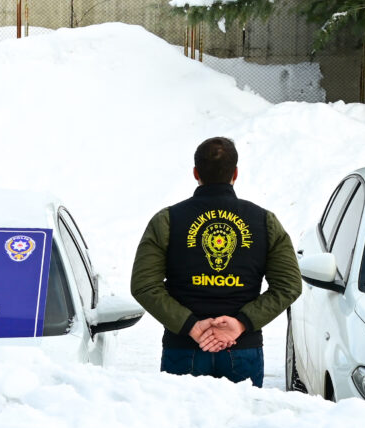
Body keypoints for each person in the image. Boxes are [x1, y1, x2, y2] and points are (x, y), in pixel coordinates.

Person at [129, 136, 302, 385]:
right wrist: (241, 323)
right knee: (240, 424)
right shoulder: (264, 222)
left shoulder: (167, 220)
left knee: (180, 424)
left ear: (195, 172)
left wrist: (191, 325)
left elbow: (144, 285)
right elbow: (289, 286)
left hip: (183, 348)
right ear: (236, 173)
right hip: (242, 350)